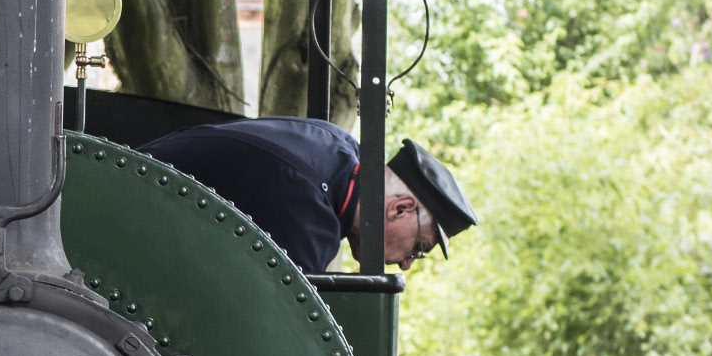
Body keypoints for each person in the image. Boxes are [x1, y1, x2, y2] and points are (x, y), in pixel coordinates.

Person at [136, 115, 479, 271]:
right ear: (400, 208)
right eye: (418, 248)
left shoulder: (336, 146)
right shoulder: (309, 212)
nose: (404, 265)